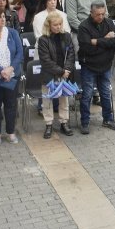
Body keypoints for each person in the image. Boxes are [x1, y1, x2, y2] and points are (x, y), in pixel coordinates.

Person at [77, 3, 115, 133]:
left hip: (105, 65)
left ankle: (108, 119)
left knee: (105, 93)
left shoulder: (110, 23)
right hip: (89, 65)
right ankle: (85, 122)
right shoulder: (83, 27)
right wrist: (105, 40)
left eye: (103, 14)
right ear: (91, 13)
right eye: (98, 15)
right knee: (87, 95)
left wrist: (96, 41)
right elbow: (87, 48)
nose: (101, 17)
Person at [37, 10, 76, 138]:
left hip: (64, 73)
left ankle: (64, 123)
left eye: (60, 24)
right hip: (49, 74)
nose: (58, 27)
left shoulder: (66, 36)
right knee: (47, 101)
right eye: (55, 25)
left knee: (64, 100)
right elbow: (46, 61)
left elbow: (71, 54)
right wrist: (61, 71)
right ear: (48, 25)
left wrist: (67, 70)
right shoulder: (43, 40)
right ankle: (48, 124)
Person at [0, 6, 22, 146]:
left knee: (11, 105)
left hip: (12, 75)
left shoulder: (13, 33)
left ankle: (11, 132)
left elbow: (19, 53)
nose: (3, 19)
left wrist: (10, 69)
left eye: (3, 16)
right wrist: (1, 70)